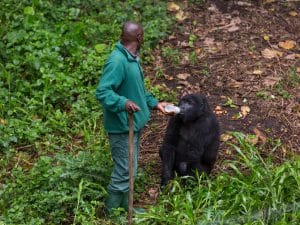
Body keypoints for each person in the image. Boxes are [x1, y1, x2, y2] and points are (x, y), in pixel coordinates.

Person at [96, 21, 170, 214]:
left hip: (133, 125)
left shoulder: (132, 58)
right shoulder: (117, 61)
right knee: (124, 171)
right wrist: (123, 103)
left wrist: (155, 103)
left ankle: (126, 208)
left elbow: (137, 91)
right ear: (139, 38)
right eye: (142, 35)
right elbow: (103, 92)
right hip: (121, 127)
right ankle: (112, 213)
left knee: (131, 169)